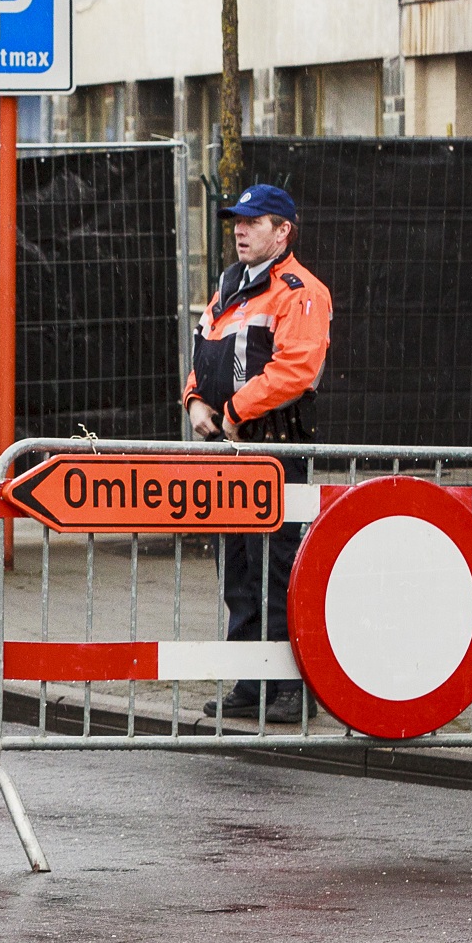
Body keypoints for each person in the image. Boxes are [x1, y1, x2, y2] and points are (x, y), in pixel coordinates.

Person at [181, 182, 332, 724]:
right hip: (230, 449)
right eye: (237, 222)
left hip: (275, 449)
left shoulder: (300, 291)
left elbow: (296, 369)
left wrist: (235, 412)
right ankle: (252, 681)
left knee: (280, 567)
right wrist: (195, 399)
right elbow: (204, 347)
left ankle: (294, 686)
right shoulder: (229, 286)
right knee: (237, 566)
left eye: (253, 222)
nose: (240, 230)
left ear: (282, 230)